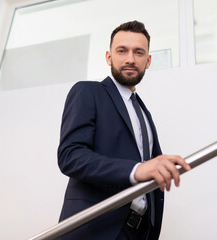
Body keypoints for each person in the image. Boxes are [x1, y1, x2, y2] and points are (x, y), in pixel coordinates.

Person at [58, 20, 191, 240]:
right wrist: (136, 170)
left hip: (138, 232)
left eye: (138, 52)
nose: (130, 59)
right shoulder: (88, 92)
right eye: (122, 51)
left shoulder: (144, 113)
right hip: (95, 230)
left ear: (148, 61)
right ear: (109, 57)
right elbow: (70, 156)